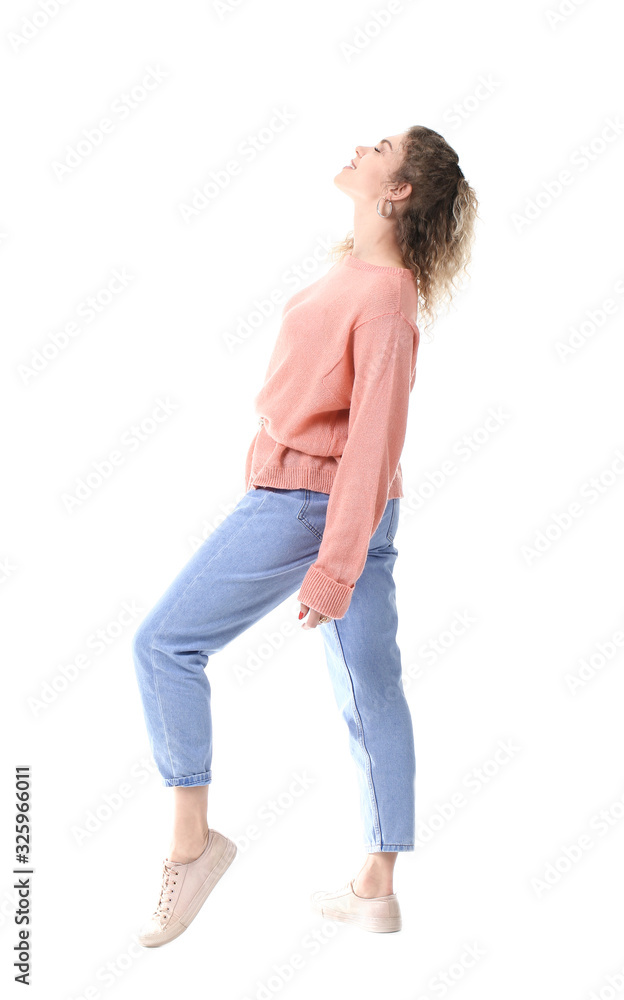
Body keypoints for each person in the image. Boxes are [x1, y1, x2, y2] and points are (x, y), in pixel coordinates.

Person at [132, 125, 479, 946]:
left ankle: (193, 846)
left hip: (311, 500)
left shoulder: (387, 296)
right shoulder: (361, 275)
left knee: (163, 645)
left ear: (398, 190)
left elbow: (374, 438)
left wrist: (336, 564)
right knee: (371, 687)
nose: (365, 144)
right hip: (333, 502)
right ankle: (375, 885)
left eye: (383, 146)